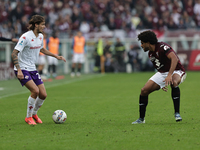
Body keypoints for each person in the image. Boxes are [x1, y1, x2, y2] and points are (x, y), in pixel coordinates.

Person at [11, 15, 66, 125]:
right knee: (35, 91)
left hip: (32, 68)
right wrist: (19, 70)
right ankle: (28, 117)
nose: (44, 26)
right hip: (22, 68)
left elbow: (41, 49)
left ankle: (34, 114)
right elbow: (14, 53)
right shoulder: (25, 37)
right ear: (36, 25)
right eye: (42, 24)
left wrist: (56, 56)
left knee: (43, 95)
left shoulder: (40, 36)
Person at [132, 30, 186, 124]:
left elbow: (174, 58)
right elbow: (161, 69)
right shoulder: (151, 54)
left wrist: (169, 75)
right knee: (144, 91)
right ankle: (141, 119)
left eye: (142, 43)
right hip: (163, 73)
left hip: (177, 70)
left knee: (173, 82)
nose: (141, 45)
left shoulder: (162, 47)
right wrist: (163, 82)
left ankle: (177, 113)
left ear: (148, 43)